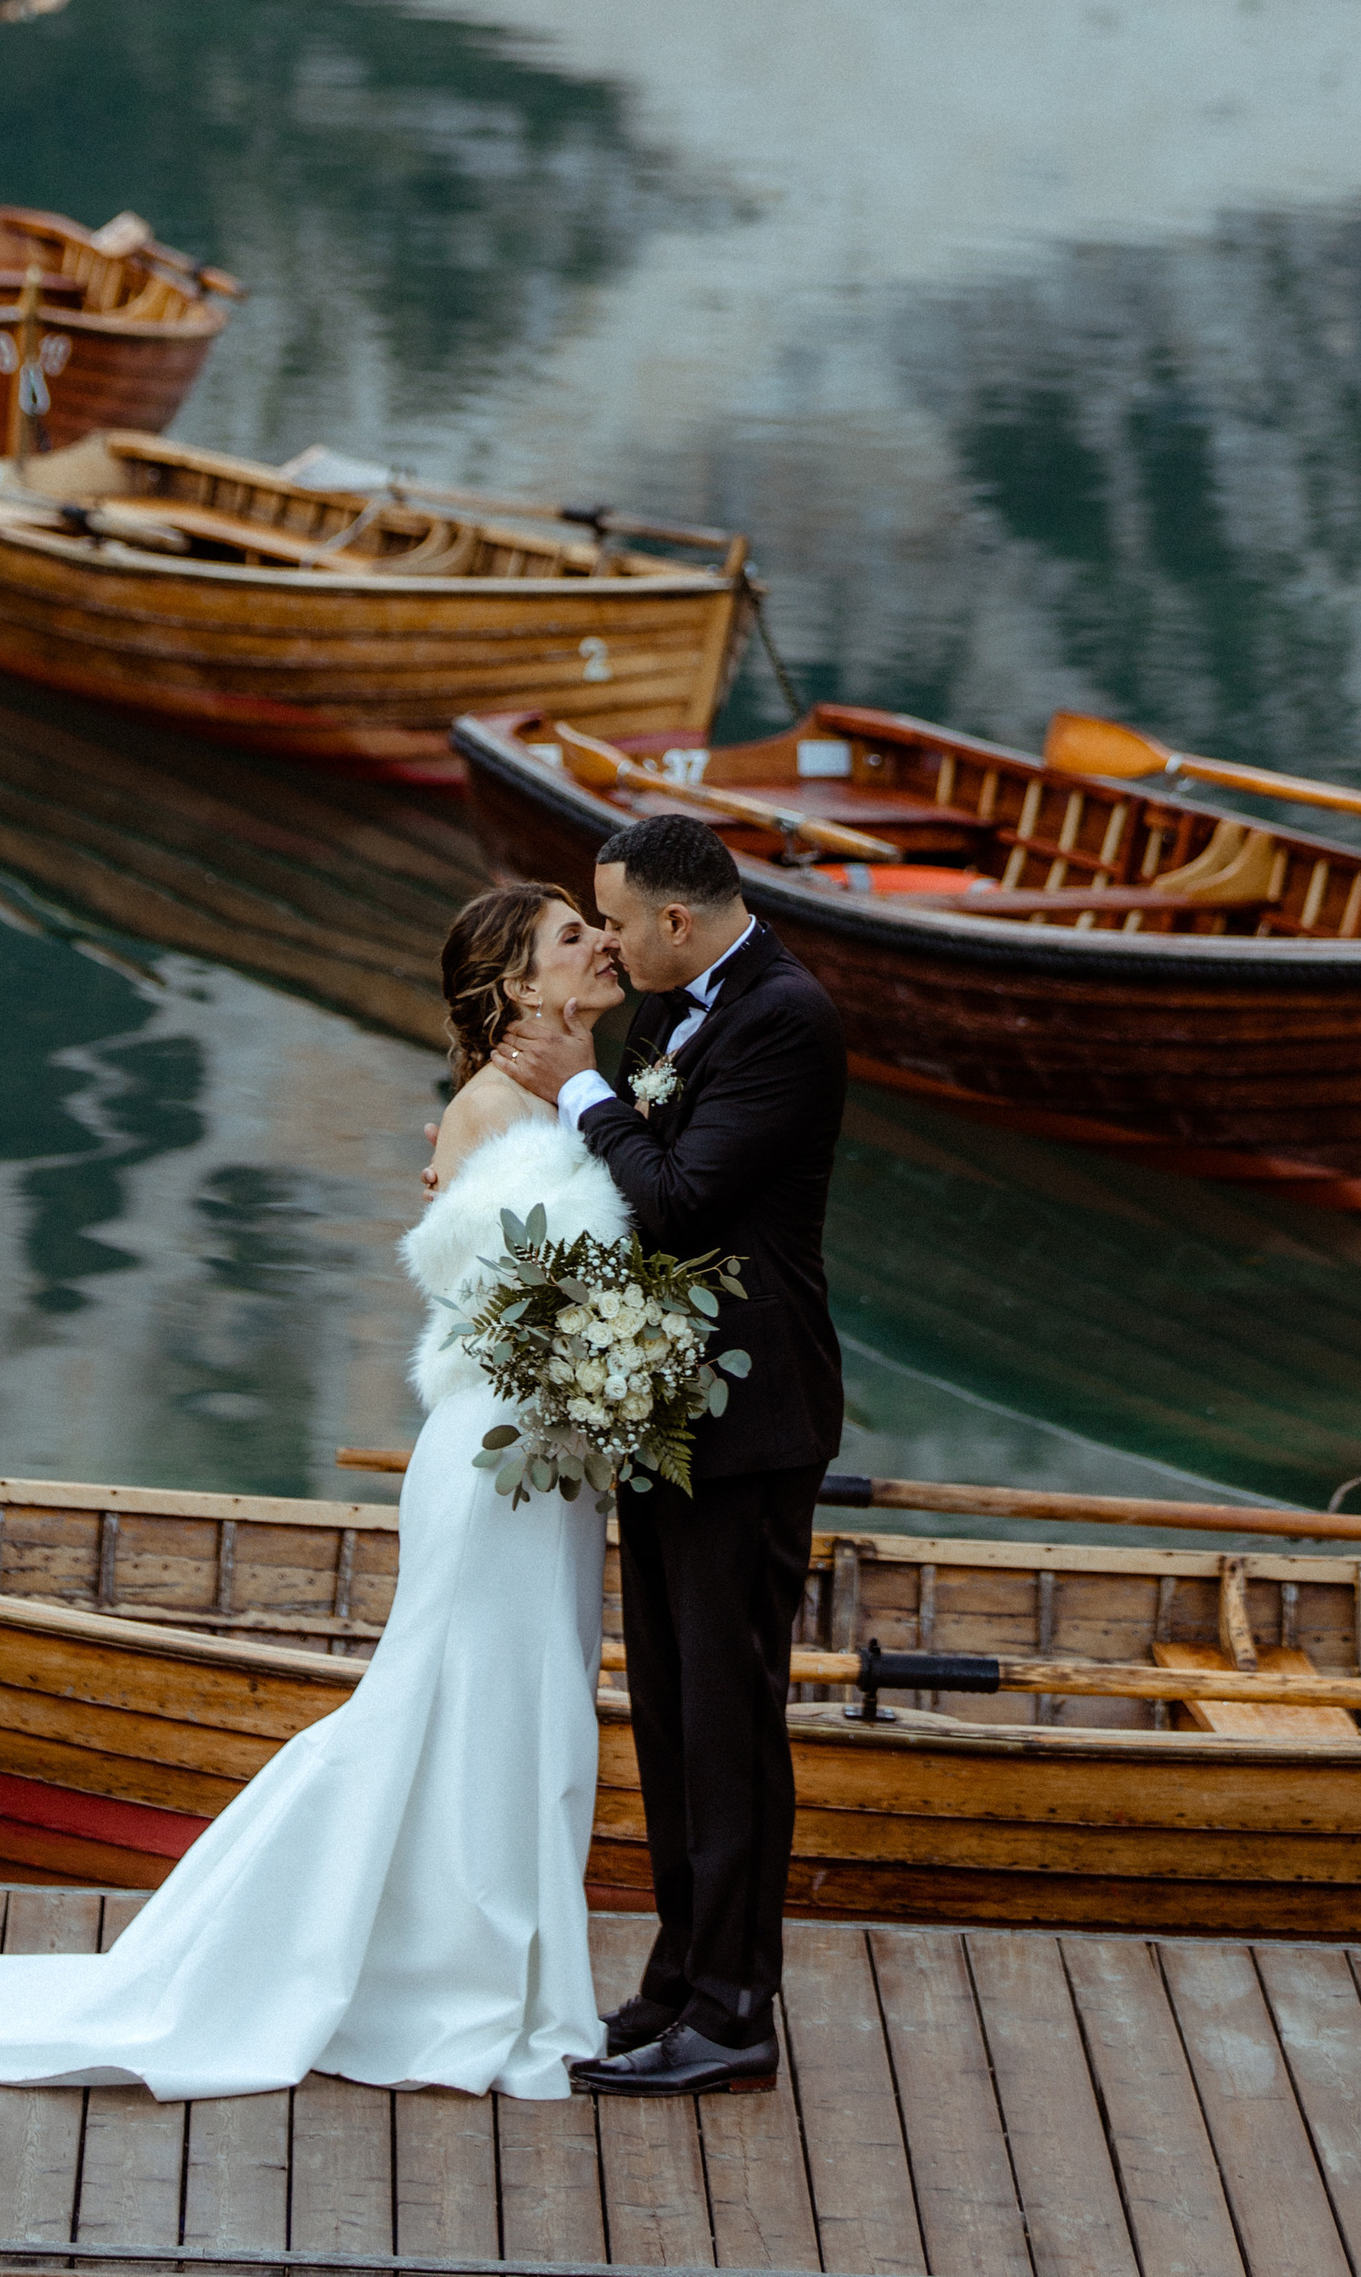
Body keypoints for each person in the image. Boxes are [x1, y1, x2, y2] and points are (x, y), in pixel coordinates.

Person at [0, 881, 627, 2101]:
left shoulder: (556, 1103)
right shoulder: (493, 1115)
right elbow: (542, 1311)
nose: (606, 945)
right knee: (467, 1703)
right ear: (521, 986)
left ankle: (490, 1970)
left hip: (551, 1461)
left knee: (524, 1706)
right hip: (503, 1462)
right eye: (575, 938)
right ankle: (435, 1983)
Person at [493, 810, 847, 2103]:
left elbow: (684, 1194)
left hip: (753, 1422)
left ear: (678, 922)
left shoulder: (785, 1018)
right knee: (673, 1712)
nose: (609, 939)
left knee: (732, 1714)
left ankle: (738, 2008)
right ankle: (679, 1974)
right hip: (666, 1410)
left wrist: (577, 1085)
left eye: (620, 920)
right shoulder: (667, 1014)